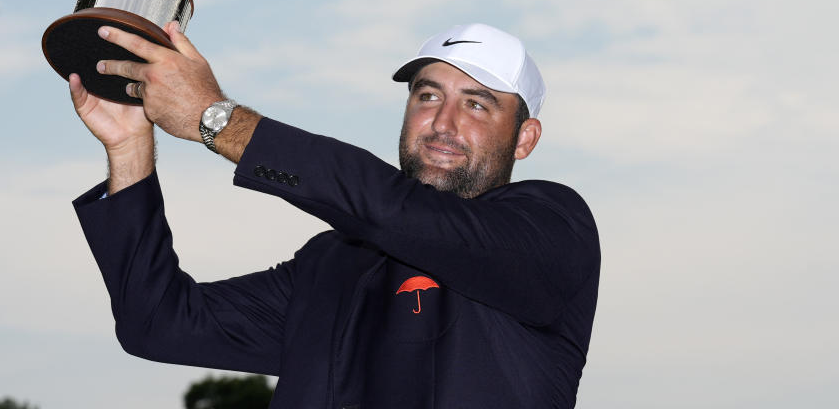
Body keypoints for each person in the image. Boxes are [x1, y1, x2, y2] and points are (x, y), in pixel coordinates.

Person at [69, 22, 600, 408]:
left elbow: (393, 209)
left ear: (524, 139)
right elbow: (157, 324)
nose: (443, 122)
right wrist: (130, 149)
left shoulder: (551, 228)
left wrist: (218, 121)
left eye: (477, 104)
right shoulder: (333, 263)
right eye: (428, 95)